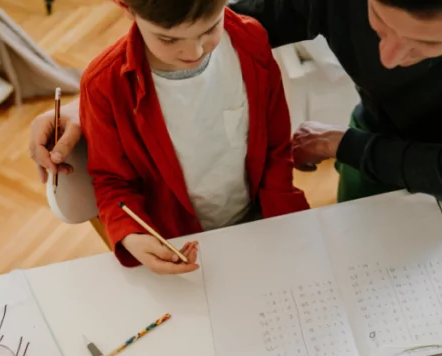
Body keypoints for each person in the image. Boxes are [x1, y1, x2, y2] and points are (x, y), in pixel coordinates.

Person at [31, 0, 442, 205]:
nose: (391, 57)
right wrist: (102, 106)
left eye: (429, 45)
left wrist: (345, 144)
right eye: (377, 20)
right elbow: (224, 31)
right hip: (376, 146)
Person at [78, 0, 310, 274]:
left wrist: (280, 221)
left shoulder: (250, 42)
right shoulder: (104, 86)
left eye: (210, 29)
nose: (194, 51)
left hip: (259, 224)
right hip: (178, 243)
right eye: (168, 39)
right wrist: (133, 235)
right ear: (128, 9)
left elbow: (276, 147)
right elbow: (112, 182)